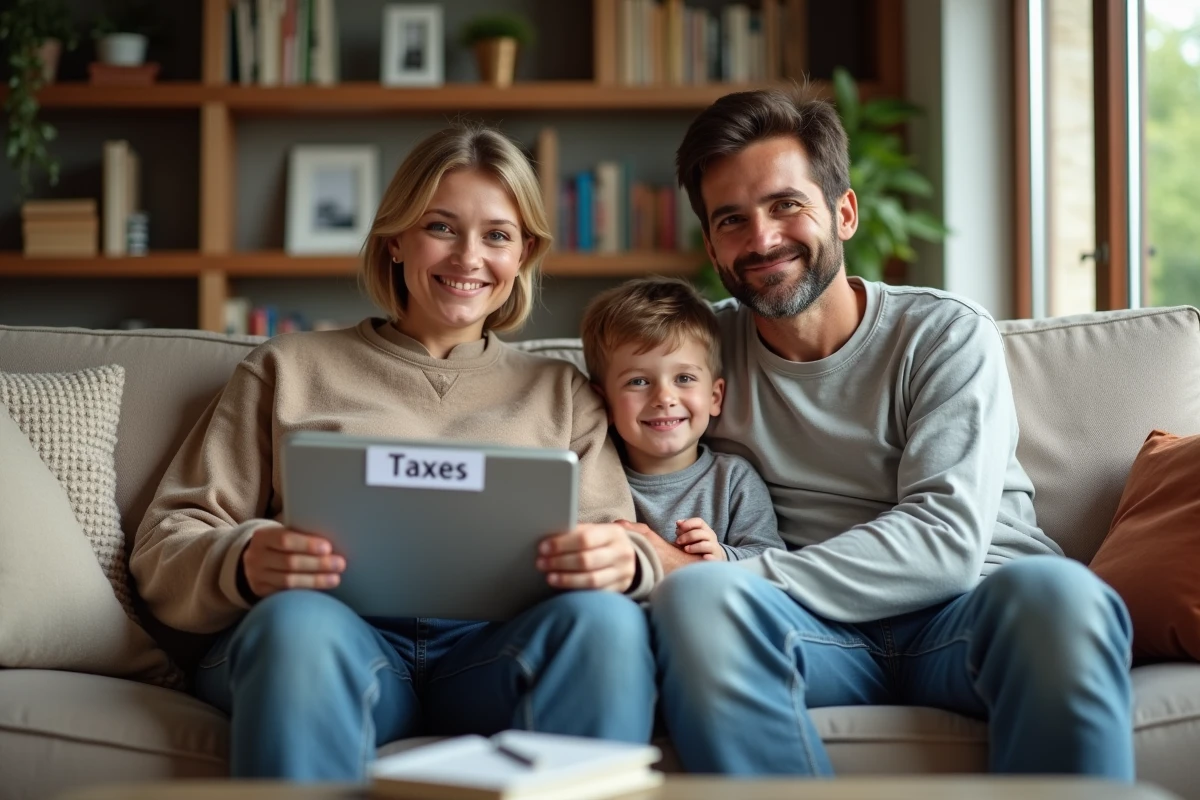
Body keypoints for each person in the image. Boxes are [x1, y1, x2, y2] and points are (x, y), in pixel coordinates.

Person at [131, 123, 659, 781]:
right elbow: (165, 545)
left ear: (523, 254)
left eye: (496, 235)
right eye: (441, 227)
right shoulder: (286, 369)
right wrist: (244, 560)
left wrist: (621, 561)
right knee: (296, 625)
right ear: (395, 239)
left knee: (605, 624)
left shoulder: (564, 393)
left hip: (491, 657)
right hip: (330, 641)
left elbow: (626, 543)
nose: (469, 257)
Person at [646, 88, 1135, 777]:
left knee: (1062, 593)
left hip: (969, 617)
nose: (761, 239)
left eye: (787, 205)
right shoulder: (699, 355)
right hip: (817, 635)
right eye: (733, 219)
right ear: (711, 244)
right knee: (698, 598)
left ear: (843, 212)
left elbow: (945, 541)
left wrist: (744, 569)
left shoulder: (942, 332)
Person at [580, 277, 784, 564]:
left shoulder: (734, 481)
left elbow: (771, 561)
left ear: (715, 397)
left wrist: (722, 556)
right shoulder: (591, 478)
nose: (664, 397)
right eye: (638, 381)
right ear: (604, 403)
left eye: (684, 378)